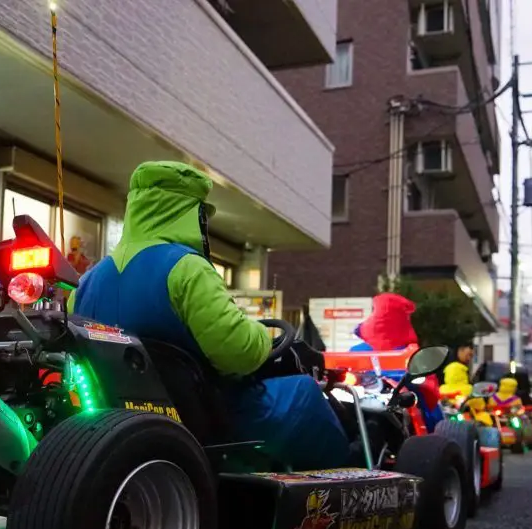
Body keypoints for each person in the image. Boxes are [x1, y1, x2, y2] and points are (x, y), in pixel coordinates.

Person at [69, 161, 350, 470]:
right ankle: (348, 485)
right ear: (191, 213)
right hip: (211, 415)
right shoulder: (185, 267)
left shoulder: (88, 282)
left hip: (120, 419)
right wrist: (259, 334)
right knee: (303, 394)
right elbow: (238, 353)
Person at [348, 293, 443, 431]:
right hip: (400, 412)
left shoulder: (356, 351)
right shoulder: (411, 352)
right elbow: (430, 396)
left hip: (360, 409)